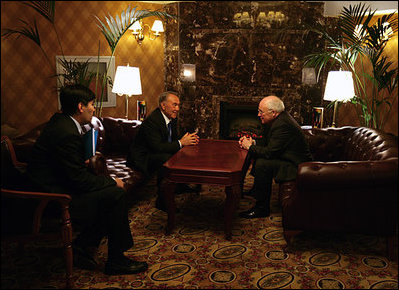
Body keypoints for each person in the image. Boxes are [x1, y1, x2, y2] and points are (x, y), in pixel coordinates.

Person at [26, 84, 148, 275]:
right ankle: (116, 260)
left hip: (57, 186)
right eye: (91, 104)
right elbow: (79, 180)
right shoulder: (65, 132)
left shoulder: (62, 121)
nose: (94, 108)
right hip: (51, 198)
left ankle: (83, 246)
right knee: (114, 195)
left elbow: (67, 166)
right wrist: (112, 181)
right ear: (80, 106)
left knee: (108, 197)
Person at [238, 95, 312, 219]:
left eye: (261, 112)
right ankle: (257, 190)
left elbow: (269, 153)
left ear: (273, 113)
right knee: (257, 154)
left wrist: (249, 147)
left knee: (263, 163)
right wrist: (253, 143)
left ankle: (262, 208)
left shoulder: (282, 125)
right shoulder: (276, 120)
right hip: (285, 158)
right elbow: (269, 143)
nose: (258, 114)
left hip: (296, 166)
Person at [127, 91, 199, 210]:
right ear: (163, 106)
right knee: (166, 159)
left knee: (181, 151)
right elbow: (157, 147)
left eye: (178, 105)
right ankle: (162, 201)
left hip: (155, 151)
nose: (177, 108)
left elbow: (172, 138)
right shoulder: (153, 121)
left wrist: (187, 139)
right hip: (142, 157)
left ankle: (179, 185)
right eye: (174, 105)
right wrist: (181, 142)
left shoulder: (171, 117)